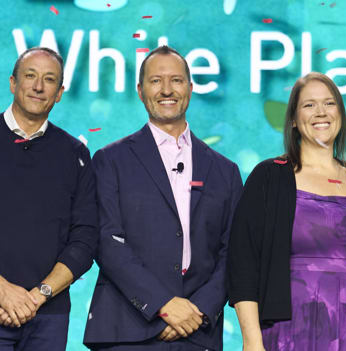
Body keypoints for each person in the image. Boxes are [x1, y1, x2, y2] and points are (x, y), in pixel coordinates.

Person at [83, 45, 242, 351]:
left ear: (191, 88)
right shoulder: (110, 160)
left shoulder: (225, 171)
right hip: (127, 332)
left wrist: (197, 312)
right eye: (156, 81)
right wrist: (163, 306)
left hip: (198, 333)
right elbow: (106, 240)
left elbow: (233, 252)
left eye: (176, 80)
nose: (166, 90)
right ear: (141, 91)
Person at [227, 72, 346, 351]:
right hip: (292, 330)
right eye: (309, 105)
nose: (321, 112)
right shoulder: (269, 177)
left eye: (329, 104)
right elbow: (242, 263)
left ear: (340, 114)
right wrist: (251, 339)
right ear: (293, 119)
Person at [0, 47, 98, 350]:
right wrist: (2, 289)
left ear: (60, 93)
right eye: (30, 76)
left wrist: (37, 296)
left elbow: (85, 239)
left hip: (49, 316)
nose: (38, 86)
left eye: (49, 79)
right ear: (13, 83)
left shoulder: (76, 154)